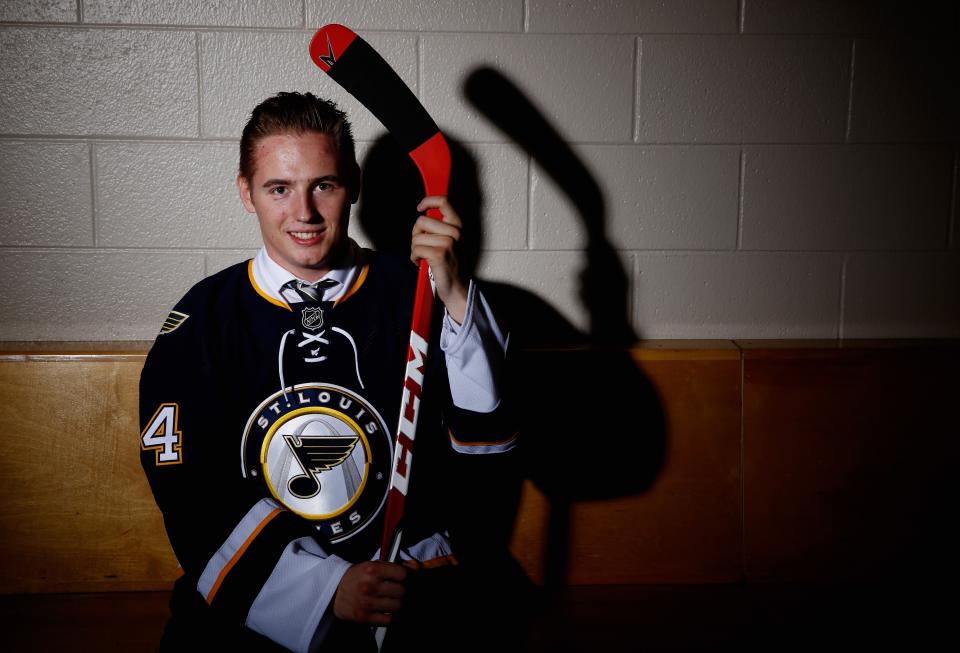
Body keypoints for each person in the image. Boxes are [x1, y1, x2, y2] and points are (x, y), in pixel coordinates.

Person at [139, 92, 517, 651]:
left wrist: (455, 292)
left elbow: (487, 445)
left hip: (409, 582)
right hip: (261, 597)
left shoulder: (417, 292)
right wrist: (326, 587)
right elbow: (189, 489)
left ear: (353, 185)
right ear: (246, 192)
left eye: (324, 184)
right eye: (279, 188)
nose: (305, 213)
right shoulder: (201, 321)